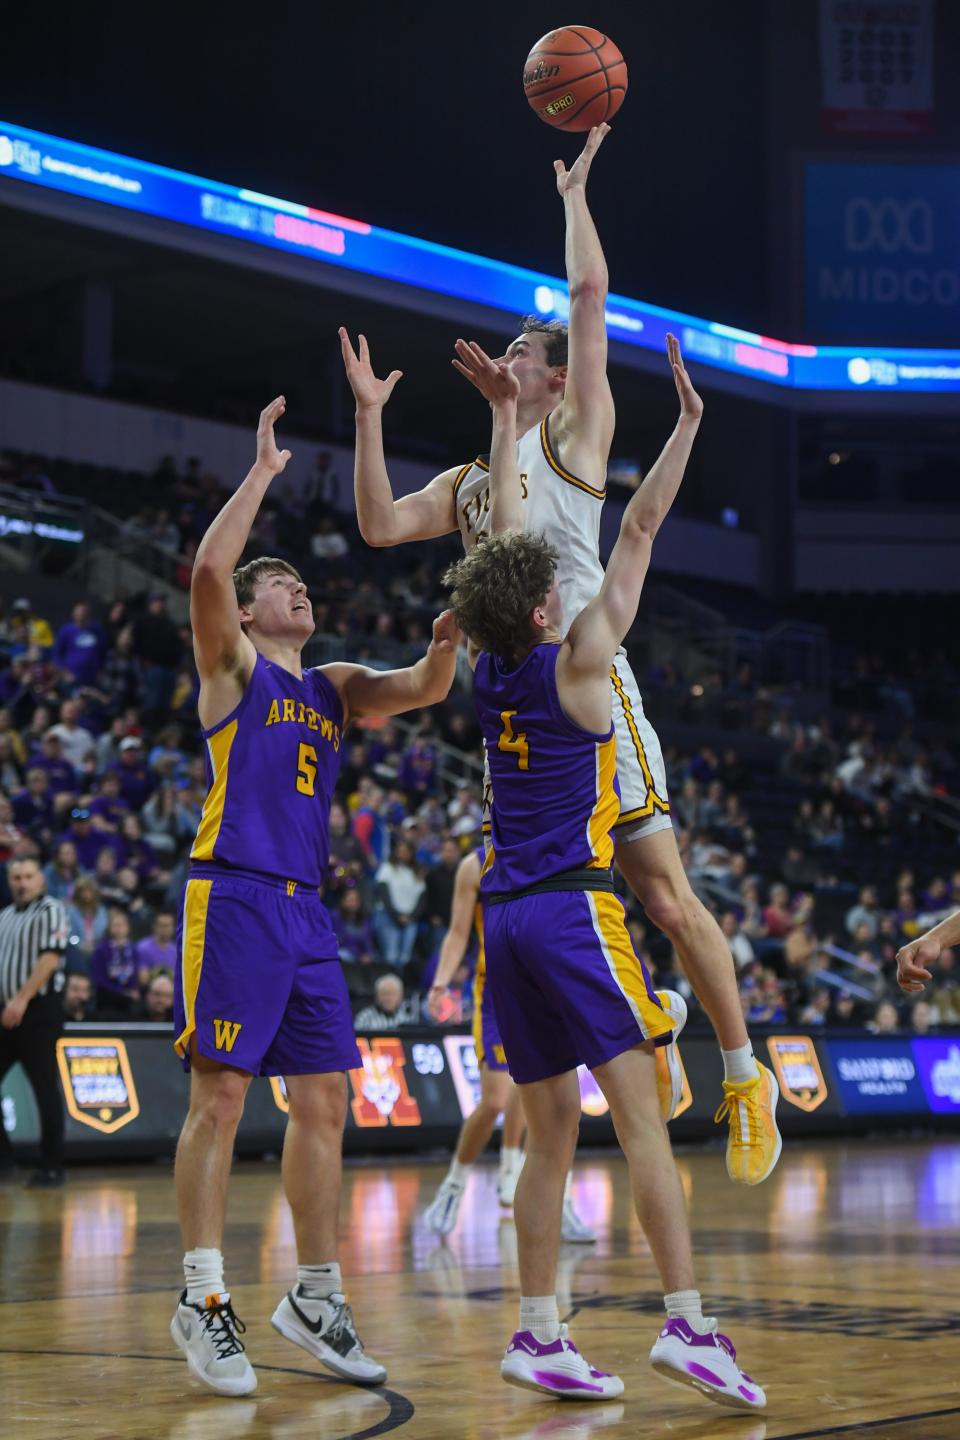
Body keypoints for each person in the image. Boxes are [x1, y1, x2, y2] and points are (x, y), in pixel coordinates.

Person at [341, 125, 777, 1183]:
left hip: (585, 674)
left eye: (522, 350)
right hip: (507, 700)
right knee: (569, 891)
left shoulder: (575, 435)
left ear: (541, 373)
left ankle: (744, 1068)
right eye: (519, 351)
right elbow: (375, 527)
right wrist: (365, 420)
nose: (512, 356)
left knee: (662, 892)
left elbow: (588, 302)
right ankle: (656, 1022)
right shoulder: (472, 476)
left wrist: (574, 195)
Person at [439, 367, 767, 1411]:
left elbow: (494, 557)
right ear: (546, 606)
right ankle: (690, 1324)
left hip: (505, 920)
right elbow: (640, 532)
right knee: (639, 1119)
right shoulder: (580, 666)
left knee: (549, 1137)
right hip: (577, 908)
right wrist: (687, 427)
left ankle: (538, 1332)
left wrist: (501, 423)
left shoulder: (489, 673)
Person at [169, 396, 460, 1398]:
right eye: (284, 584)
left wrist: (457, 631)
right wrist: (259, 475)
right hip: (236, 894)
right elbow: (210, 571)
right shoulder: (232, 668)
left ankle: (315, 1295)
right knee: (219, 1094)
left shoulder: (332, 685)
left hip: (305, 912)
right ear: (252, 615)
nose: (302, 590)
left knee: (328, 1100)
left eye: (301, 582)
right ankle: (203, 1298)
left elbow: (420, 686)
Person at [423, 846, 599, 1242]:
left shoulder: (551, 847)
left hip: (550, 981)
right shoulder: (473, 866)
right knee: (496, 1100)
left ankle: (558, 1199)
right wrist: (441, 981)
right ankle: (454, 1185)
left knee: (559, 1102)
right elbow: (457, 932)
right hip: (497, 989)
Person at [0, 857, 69, 1186]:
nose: (22, 883)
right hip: (5, 1010)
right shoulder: (4, 916)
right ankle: (4, 1159)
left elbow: (50, 959)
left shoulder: (51, 909)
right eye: (16, 877)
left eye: (28, 876)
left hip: (38, 1009)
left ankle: (52, 1164)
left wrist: (22, 999)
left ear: (41, 880)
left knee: (44, 1087)